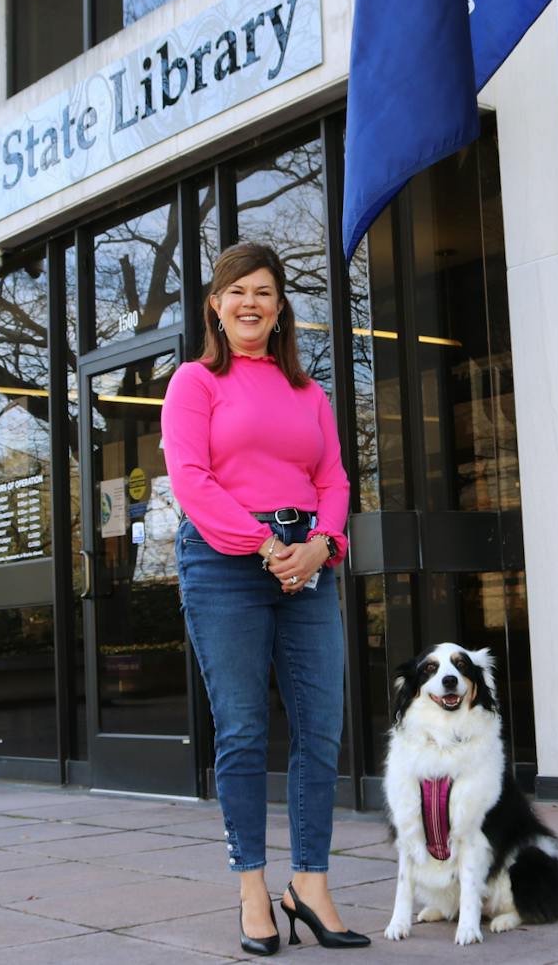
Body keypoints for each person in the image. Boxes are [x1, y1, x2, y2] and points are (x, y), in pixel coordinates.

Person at [163, 242, 369, 955]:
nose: (251, 302)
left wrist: (323, 545)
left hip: (307, 564)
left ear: (281, 309)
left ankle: (308, 883)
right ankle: (252, 888)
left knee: (320, 728)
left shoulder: (309, 393)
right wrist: (262, 544)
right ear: (216, 305)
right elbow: (190, 477)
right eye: (237, 291)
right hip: (226, 564)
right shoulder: (195, 382)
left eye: (265, 293)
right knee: (245, 730)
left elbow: (335, 479)